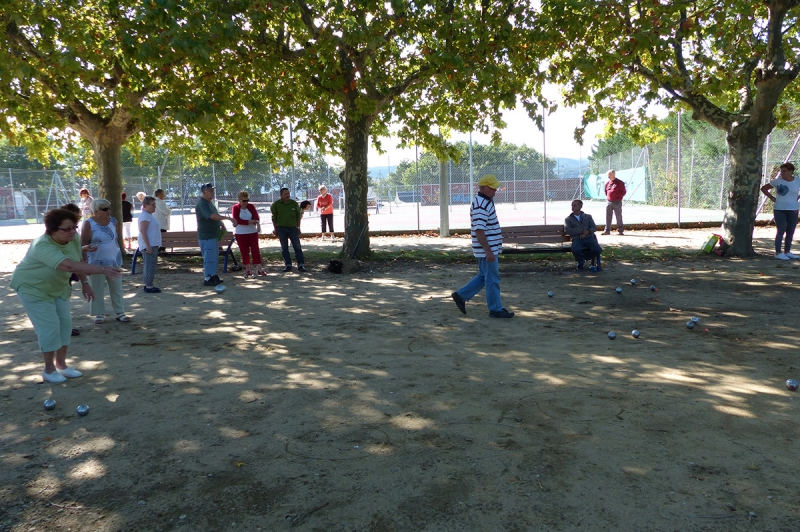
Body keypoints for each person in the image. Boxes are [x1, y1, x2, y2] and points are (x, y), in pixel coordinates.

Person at [10, 208, 123, 383]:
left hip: (58, 287)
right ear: (52, 230)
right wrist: (102, 269)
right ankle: (49, 370)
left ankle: (62, 365)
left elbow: (78, 261)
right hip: (33, 289)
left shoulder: (73, 239)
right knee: (50, 328)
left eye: (74, 227)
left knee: (64, 325)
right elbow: (69, 266)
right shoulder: (42, 245)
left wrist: (85, 283)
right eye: (66, 229)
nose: (72, 232)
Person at [451, 174, 514, 318]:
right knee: (492, 279)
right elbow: (479, 230)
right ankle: (495, 309)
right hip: (487, 249)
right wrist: (488, 251)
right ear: (484, 188)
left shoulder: (484, 201)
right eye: (492, 188)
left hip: (488, 248)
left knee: (484, 276)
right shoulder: (481, 204)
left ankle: (461, 295)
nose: (495, 190)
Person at [81, 198, 129, 322]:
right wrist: (85, 262)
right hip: (95, 261)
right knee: (97, 287)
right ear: (96, 211)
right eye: (105, 209)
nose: (109, 211)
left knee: (117, 287)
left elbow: (116, 238)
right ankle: (99, 314)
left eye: (109, 208)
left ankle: (120, 312)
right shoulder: (89, 223)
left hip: (114, 260)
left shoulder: (113, 221)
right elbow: (83, 243)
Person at [196, 183, 236, 286]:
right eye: (210, 191)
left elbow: (215, 215)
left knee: (213, 256)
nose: (212, 193)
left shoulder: (210, 203)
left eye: (212, 190)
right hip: (206, 236)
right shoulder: (202, 203)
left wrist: (221, 224)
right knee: (208, 257)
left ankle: (213, 275)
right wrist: (227, 218)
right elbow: (212, 216)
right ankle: (208, 277)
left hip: (213, 235)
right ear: (204, 192)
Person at [760, 162, 800, 260]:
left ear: (791, 171)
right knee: (781, 229)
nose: (782, 173)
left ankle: (787, 251)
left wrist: (798, 197)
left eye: (784, 171)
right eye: (781, 171)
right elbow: (764, 188)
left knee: (790, 230)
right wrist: (772, 197)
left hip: (793, 209)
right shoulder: (777, 181)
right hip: (779, 209)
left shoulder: (798, 180)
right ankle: (778, 252)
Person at [270, 187, 306, 273]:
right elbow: (274, 218)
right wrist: (275, 229)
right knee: (284, 248)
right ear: (281, 195)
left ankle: (301, 264)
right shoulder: (276, 205)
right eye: (285, 194)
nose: (287, 195)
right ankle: (288, 265)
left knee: (297, 247)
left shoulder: (294, 204)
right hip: (281, 228)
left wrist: (298, 227)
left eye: (288, 193)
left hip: (293, 228)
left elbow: (298, 217)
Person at [232, 190, 266, 278]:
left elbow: (256, 217)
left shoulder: (251, 206)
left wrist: (257, 223)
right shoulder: (235, 208)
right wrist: (249, 222)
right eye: (244, 201)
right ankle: (248, 270)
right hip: (240, 233)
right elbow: (237, 220)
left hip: (252, 232)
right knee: (244, 251)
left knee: (255, 250)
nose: (246, 202)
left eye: (247, 200)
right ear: (239, 200)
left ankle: (259, 269)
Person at [565, 199, 603, 271]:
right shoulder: (568, 219)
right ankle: (581, 261)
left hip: (588, 237)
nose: (572, 207)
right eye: (572, 205)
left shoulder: (588, 217)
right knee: (575, 249)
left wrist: (587, 232)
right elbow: (568, 230)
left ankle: (583, 258)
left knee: (598, 249)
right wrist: (582, 231)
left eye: (575, 205)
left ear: (580, 206)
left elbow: (593, 227)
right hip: (577, 238)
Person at [138, 196, 162, 292]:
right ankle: (149, 286)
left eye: (154, 205)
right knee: (149, 265)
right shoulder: (144, 216)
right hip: (149, 245)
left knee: (150, 265)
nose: (154, 207)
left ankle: (149, 284)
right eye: (152, 205)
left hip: (152, 244)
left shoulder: (148, 215)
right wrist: (148, 246)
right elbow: (143, 231)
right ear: (145, 205)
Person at [601, 169, 626, 235]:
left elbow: (623, 192)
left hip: (617, 202)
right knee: (608, 216)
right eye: (608, 175)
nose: (608, 176)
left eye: (610, 174)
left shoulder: (620, 183)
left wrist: (618, 197)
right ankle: (607, 230)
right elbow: (606, 192)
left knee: (618, 216)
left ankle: (620, 230)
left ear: (614, 174)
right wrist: (609, 198)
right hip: (609, 202)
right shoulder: (607, 183)